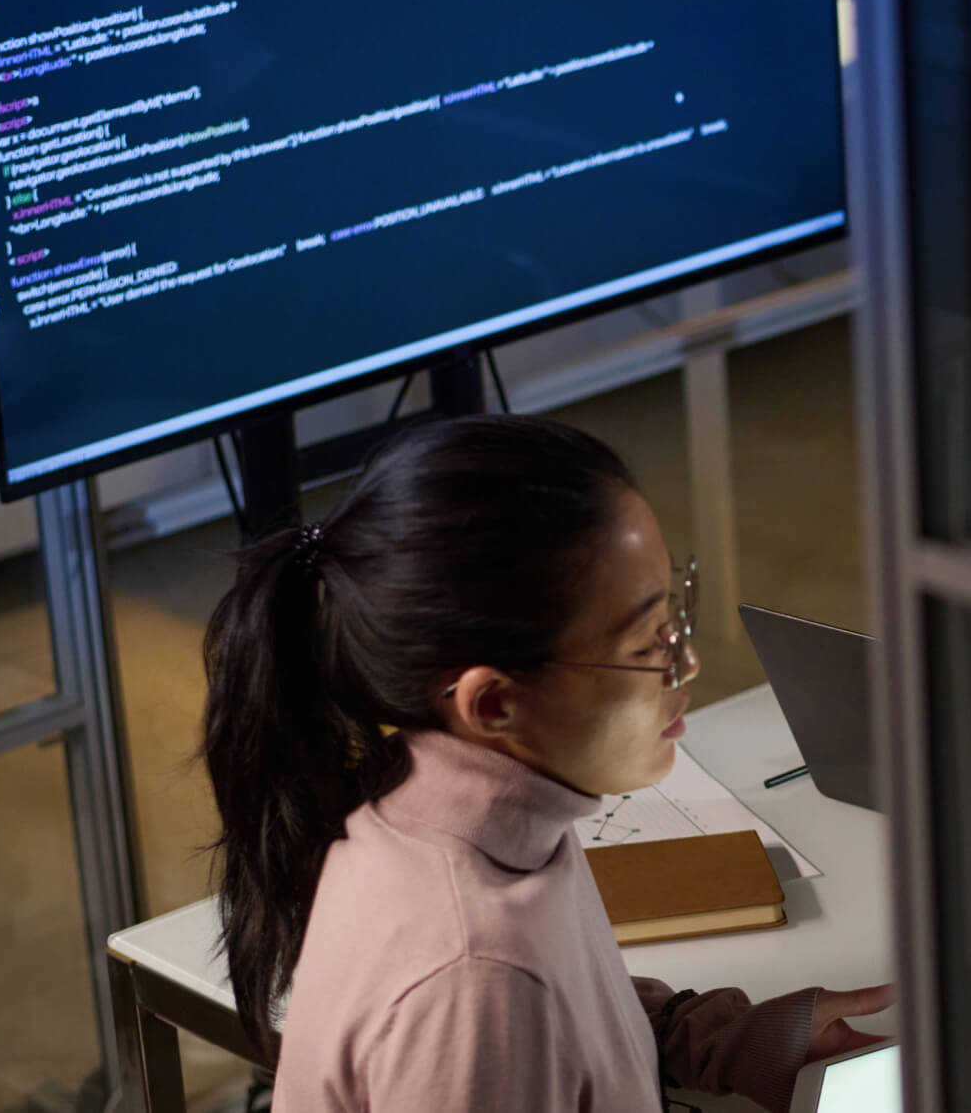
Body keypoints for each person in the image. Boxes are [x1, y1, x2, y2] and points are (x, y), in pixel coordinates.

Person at [200, 416, 889, 1111]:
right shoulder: (473, 980)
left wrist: (730, 1039)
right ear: (493, 704)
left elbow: (571, 1021)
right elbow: (509, 1017)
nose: (687, 661)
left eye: (672, 613)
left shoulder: (473, 815)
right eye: (646, 642)